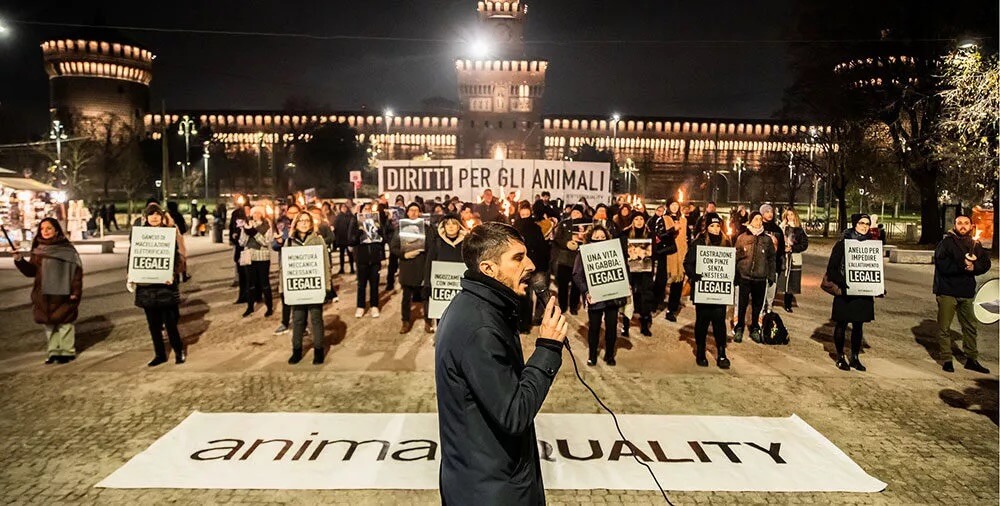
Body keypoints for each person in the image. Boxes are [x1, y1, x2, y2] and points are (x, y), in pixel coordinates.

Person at [435, 222, 569, 505]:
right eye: (518, 258)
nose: (530, 265)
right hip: (491, 488)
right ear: (488, 269)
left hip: (480, 476)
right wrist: (547, 348)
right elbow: (514, 413)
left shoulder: (477, 305)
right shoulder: (481, 328)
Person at [13, 218, 83, 364]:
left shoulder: (67, 249)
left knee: (65, 324)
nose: (45, 231)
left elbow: (76, 272)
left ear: (56, 230)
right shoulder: (38, 250)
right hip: (44, 293)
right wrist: (19, 260)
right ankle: (53, 352)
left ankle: (67, 351)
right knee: (49, 325)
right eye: (42, 229)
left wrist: (75, 291)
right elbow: (31, 272)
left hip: (63, 292)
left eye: (49, 228)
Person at [129, 205, 186, 366]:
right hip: (146, 287)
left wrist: (173, 273)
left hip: (164, 287)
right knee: (153, 325)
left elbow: (175, 257)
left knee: (170, 323)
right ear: (145, 218)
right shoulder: (139, 235)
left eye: (157, 215)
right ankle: (159, 354)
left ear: (162, 217)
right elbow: (133, 254)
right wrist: (131, 273)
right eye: (150, 215)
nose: (154, 218)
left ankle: (178, 351)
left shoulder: (168, 234)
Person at [934, 214, 992, 373]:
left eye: (966, 223)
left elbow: (986, 263)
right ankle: (946, 359)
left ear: (971, 226)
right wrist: (962, 265)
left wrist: (974, 268)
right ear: (954, 225)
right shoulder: (946, 243)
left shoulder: (975, 244)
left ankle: (971, 359)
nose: (963, 226)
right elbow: (942, 265)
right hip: (947, 291)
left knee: (970, 326)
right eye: (959, 223)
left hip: (967, 291)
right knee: (944, 327)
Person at [824, 214, 876, 371]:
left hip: (863, 292)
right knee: (842, 323)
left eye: (867, 224)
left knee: (858, 326)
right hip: (845, 291)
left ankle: (854, 357)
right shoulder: (842, 244)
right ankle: (840, 356)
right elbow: (831, 269)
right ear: (855, 224)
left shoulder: (871, 246)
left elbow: (874, 268)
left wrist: (877, 285)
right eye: (861, 223)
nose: (865, 226)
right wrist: (844, 282)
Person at [683, 213, 732, 368]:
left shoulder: (726, 243)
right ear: (707, 227)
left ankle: (722, 352)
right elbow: (688, 263)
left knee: (719, 322)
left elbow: (731, 264)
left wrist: (733, 276)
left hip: (719, 291)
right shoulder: (699, 242)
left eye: (718, 226)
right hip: (703, 289)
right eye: (712, 225)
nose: (715, 229)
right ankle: (701, 350)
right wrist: (694, 275)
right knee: (702, 322)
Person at [574, 225, 626, 365]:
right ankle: (592, 355)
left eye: (602, 237)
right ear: (590, 237)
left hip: (612, 296)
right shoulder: (583, 252)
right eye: (596, 237)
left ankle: (610, 355)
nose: (599, 239)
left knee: (611, 327)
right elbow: (577, 275)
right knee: (594, 327)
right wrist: (586, 291)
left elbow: (622, 269)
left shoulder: (614, 251)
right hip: (595, 296)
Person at [283, 212, 330, 365]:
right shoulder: (289, 242)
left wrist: (327, 285)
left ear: (311, 223)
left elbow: (325, 264)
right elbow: (284, 267)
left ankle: (318, 350)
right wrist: (284, 288)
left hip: (314, 286)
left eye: (307, 220)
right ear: (295, 224)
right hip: (297, 288)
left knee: (316, 319)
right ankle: (296, 350)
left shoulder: (318, 240)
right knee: (297, 319)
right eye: (300, 221)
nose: (304, 223)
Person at [734, 211, 776, 343]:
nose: (759, 221)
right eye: (756, 219)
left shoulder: (767, 239)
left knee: (758, 305)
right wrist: (736, 274)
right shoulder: (742, 238)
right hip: (744, 277)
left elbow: (771, 259)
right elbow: (736, 257)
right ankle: (739, 327)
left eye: (760, 219)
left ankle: (755, 328)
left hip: (760, 278)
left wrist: (770, 276)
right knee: (742, 304)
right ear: (750, 221)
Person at [424, 214, 468, 333]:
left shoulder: (466, 244)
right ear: (443, 226)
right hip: (441, 289)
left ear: (459, 226)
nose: (451, 227)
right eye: (447, 224)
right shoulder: (437, 242)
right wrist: (428, 283)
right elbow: (429, 263)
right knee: (442, 316)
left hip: (460, 288)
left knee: (460, 317)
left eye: (454, 223)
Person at [391, 203, 430, 334]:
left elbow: (431, 247)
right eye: (411, 210)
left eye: (416, 210)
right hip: (407, 266)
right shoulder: (401, 229)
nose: (413, 213)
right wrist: (404, 254)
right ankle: (405, 321)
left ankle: (428, 321)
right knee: (406, 297)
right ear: (407, 213)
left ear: (420, 213)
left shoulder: (426, 228)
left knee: (425, 296)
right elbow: (393, 247)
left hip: (422, 266)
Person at [513, 201, 549, 331]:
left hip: (536, 265)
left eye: (527, 214)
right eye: (523, 215)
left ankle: (539, 318)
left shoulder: (535, 228)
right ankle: (524, 323)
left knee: (541, 292)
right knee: (524, 295)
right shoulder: (515, 229)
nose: (525, 217)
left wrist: (543, 265)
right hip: (522, 267)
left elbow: (542, 247)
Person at [239, 206, 275, 318]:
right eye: (254, 213)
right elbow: (242, 242)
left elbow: (266, 241)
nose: (256, 215)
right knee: (250, 283)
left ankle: (269, 307)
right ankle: (250, 307)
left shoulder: (266, 226)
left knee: (264, 283)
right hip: (250, 257)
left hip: (262, 257)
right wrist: (246, 231)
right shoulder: (247, 225)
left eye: (258, 213)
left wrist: (254, 233)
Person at [623, 212, 655, 336]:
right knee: (628, 296)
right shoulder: (625, 234)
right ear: (632, 221)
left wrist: (649, 255)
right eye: (636, 219)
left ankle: (645, 324)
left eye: (641, 218)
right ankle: (625, 325)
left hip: (645, 271)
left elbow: (655, 252)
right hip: (629, 271)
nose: (639, 221)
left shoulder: (650, 234)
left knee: (645, 297)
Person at [272, 204, 302, 335]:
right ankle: (284, 322)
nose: (293, 215)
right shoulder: (282, 228)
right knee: (285, 296)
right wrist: (279, 242)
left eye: (296, 212)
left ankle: (302, 324)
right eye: (290, 212)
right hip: (286, 266)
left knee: (300, 297)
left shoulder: (304, 228)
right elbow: (275, 245)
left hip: (301, 266)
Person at [552, 204, 587, 314]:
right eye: (574, 212)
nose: (576, 214)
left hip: (578, 259)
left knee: (576, 285)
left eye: (578, 213)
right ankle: (562, 305)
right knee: (563, 285)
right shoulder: (564, 224)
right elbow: (557, 238)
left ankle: (573, 306)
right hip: (564, 258)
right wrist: (566, 243)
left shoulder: (585, 225)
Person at [352, 204, 385, 318]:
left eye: (369, 209)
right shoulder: (356, 223)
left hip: (375, 258)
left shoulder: (377, 222)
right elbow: (351, 240)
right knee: (362, 285)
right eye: (365, 209)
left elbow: (384, 239)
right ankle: (360, 306)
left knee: (374, 284)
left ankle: (374, 305)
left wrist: (380, 230)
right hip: (362, 258)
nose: (368, 211)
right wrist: (359, 231)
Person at [777, 209, 809, 312]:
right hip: (783, 257)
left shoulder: (799, 230)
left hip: (794, 258)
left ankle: (788, 304)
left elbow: (804, 245)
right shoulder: (781, 228)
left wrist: (792, 248)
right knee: (779, 279)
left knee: (791, 282)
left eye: (791, 214)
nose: (789, 217)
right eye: (788, 215)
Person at [663, 199, 688, 322]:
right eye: (672, 205)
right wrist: (673, 229)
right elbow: (662, 236)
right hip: (668, 255)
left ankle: (671, 309)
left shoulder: (683, 220)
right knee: (664, 281)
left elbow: (684, 238)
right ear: (668, 206)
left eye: (676, 205)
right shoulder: (664, 219)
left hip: (681, 254)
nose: (674, 207)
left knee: (678, 282)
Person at [759, 204, 785, 314]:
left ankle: (769, 307)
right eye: (767, 212)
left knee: (772, 287)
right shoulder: (759, 228)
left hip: (774, 263)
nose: (770, 214)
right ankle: (760, 306)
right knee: (761, 287)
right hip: (761, 262)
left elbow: (781, 248)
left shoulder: (777, 229)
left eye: (771, 212)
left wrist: (780, 260)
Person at [333, 203, 356, 275]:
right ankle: (342, 268)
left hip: (348, 238)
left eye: (345, 207)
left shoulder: (350, 216)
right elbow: (335, 227)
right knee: (341, 254)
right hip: (341, 238)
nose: (344, 208)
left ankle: (352, 268)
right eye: (342, 207)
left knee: (350, 254)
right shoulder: (338, 217)